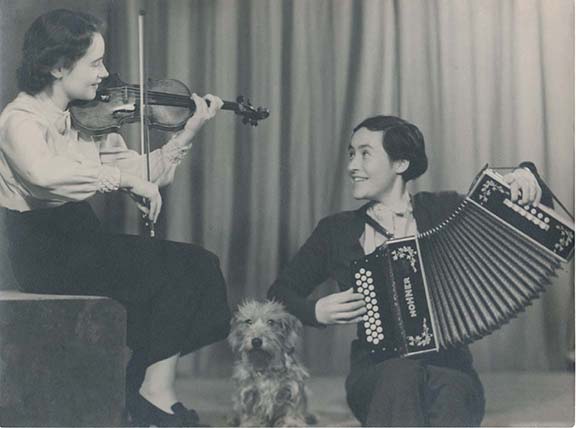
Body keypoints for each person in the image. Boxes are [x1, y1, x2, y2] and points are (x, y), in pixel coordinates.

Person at [0, 9, 230, 427]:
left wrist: (189, 131)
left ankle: (142, 385)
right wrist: (120, 180)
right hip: (45, 253)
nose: (104, 74)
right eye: (95, 63)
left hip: (83, 238)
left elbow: (144, 173)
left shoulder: (90, 118)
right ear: (57, 65)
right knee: (177, 273)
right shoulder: (20, 120)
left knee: (204, 270)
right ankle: (153, 394)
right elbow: (44, 176)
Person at [268, 115, 545, 427]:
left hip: (449, 367)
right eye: (351, 154)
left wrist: (526, 173)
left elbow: (521, 213)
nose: (352, 166)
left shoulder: (444, 209)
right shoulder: (336, 231)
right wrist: (314, 310)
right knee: (400, 375)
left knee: (451, 392)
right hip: (378, 372)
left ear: (400, 163)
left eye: (365, 154)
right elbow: (279, 293)